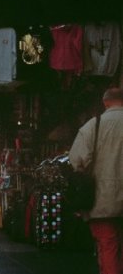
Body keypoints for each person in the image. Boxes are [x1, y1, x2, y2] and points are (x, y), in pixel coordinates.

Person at [68, 87, 123, 274]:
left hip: (101, 200)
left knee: (107, 246)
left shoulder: (93, 125)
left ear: (105, 103)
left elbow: (77, 160)